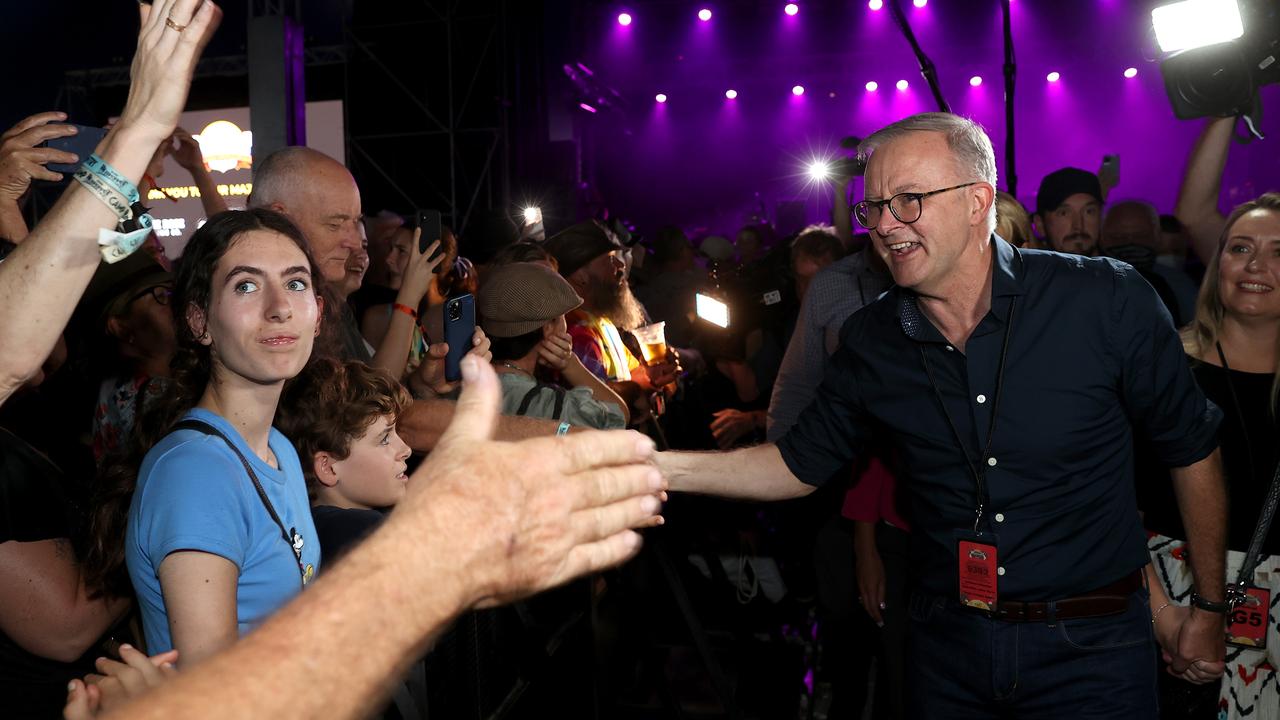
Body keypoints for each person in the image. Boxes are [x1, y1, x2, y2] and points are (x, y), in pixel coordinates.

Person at [657, 112, 1230, 717]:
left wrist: (1211, 609)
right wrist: (652, 466)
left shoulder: (1104, 299)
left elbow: (1191, 449)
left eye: (908, 201)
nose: (883, 225)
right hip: (947, 646)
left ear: (978, 200)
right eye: (873, 206)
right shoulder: (872, 339)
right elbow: (796, 464)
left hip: (1091, 648)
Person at [123, 208, 324, 666]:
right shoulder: (197, 474)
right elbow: (212, 694)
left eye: (296, 283)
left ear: (317, 314)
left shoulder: (280, 449)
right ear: (199, 322)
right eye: (246, 286)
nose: (279, 307)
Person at [1139, 193, 1280, 720]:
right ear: (1216, 263)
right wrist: (1166, 619)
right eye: (1240, 247)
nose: (1255, 265)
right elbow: (1112, 508)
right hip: (1169, 600)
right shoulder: (1165, 369)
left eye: (1278, 251)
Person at [275, 358, 413, 564]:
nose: (406, 450)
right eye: (384, 439)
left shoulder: (319, 526)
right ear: (328, 467)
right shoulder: (355, 532)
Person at [479, 261, 628, 429]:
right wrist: (571, 365)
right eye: (563, 316)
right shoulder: (554, 409)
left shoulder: (460, 384)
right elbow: (619, 417)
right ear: (548, 328)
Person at [1031, 167, 1103, 256]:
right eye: (1063, 213)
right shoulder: (1031, 269)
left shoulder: (1121, 268)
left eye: (1089, 211)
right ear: (1040, 224)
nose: (1078, 226)